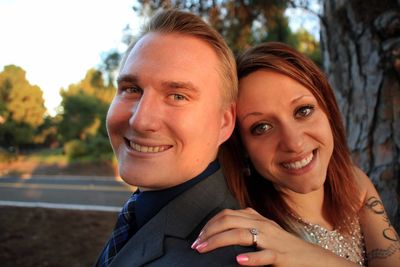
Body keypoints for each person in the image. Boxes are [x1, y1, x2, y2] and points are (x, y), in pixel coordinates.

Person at [191, 42, 400, 267]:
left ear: (327, 109)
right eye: (261, 127)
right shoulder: (250, 237)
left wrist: (307, 255)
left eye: (303, 111)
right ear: (243, 148)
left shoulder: (355, 183)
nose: (294, 142)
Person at [94, 9, 256, 267]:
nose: (140, 120)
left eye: (177, 96)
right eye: (132, 89)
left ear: (224, 122)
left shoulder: (223, 256)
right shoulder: (144, 210)